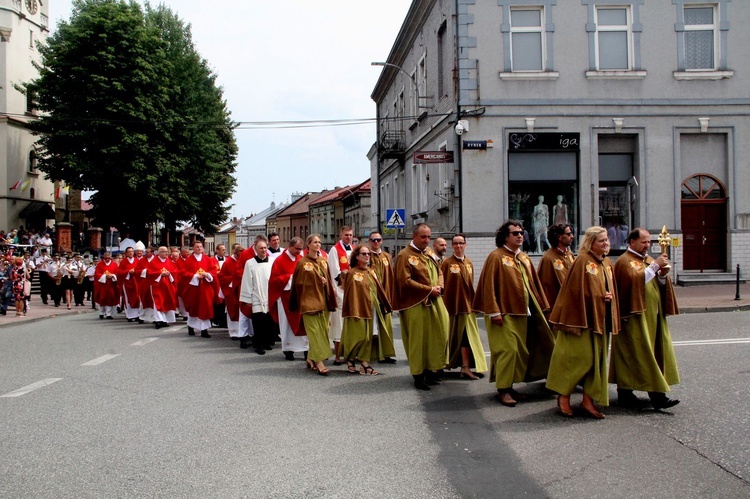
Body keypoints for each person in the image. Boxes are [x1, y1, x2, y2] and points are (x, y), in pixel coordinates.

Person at [472, 221, 556, 407]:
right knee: (507, 350)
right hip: (503, 313)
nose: (520, 235)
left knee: (521, 350)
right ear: (505, 237)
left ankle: (510, 386)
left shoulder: (524, 257)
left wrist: (543, 307)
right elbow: (488, 286)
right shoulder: (496, 257)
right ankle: (503, 390)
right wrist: (494, 311)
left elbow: (534, 285)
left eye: (521, 232)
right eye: (515, 233)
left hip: (524, 313)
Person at [546, 226, 619, 419]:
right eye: (601, 240)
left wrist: (608, 296)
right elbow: (573, 292)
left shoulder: (606, 262)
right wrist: (598, 296)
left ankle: (588, 400)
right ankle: (564, 397)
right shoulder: (582, 261)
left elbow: (606, 287)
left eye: (606, 240)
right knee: (577, 360)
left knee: (596, 362)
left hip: (600, 321)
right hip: (582, 321)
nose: (606, 243)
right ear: (591, 243)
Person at [611, 228, 681, 410]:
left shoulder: (648, 260)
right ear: (632, 242)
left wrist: (663, 276)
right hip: (634, 316)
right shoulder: (624, 261)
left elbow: (656, 282)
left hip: (652, 315)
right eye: (644, 242)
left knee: (652, 353)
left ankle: (641, 394)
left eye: (649, 242)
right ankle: (648, 395)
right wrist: (655, 267)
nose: (647, 245)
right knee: (638, 354)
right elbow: (633, 283)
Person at [393, 223, 450, 391]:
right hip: (415, 303)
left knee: (439, 334)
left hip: (434, 299)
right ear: (414, 236)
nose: (426, 240)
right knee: (419, 340)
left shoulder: (429, 253)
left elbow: (439, 271)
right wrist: (428, 290)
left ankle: (433, 368)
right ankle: (418, 375)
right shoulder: (405, 255)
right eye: (423, 237)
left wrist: (439, 286)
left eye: (428, 237)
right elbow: (405, 281)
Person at [441, 234, 488, 380]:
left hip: (468, 307)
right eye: (455, 243)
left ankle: (466, 367)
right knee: (452, 338)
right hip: (452, 307)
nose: (458, 246)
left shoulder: (469, 262)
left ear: (465, 245)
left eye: (461, 243)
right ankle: (441, 365)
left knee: (468, 338)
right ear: (452, 246)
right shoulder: (447, 263)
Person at [339, 244, 391, 375]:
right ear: (357, 256)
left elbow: (378, 290)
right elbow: (350, 294)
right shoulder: (352, 273)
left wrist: (384, 304)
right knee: (359, 337)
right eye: (364, 254)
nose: (367, 256)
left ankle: (364, 363)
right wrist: (352, 310)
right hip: (358, 309)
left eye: (368, 254)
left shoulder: (371, 271)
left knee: (369, 337)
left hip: (371, 308)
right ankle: (350, 358)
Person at [291, 234, 337, 374]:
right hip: (309, 302)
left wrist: (331, 292)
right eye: (315, 242)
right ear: (308, 244)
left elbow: (328, 280)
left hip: (323, 301)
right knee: (314, 333)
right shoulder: (303, 263)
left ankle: (311, 357)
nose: (318, 244)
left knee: (323, 331)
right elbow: (298, 283)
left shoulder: (323, 261)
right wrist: (317, 282)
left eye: (319, 242)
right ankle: (319, 362)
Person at [268, 238, 307, 360]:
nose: (299, 252)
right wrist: (291, 278)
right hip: (285, 298)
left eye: (301, 249)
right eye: (297, 249)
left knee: (303, 323)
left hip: (300, 297)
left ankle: (306, 348)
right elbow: (274, 280)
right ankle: (288, 349)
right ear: (290, 246)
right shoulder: (279, 261)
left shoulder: (301, 259)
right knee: (287, 325)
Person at [239, 239, 276, 353]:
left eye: (265, 248)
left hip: (269, 295)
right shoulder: (250, 263)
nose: (264, 250)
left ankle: (266, 342)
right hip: (256, 295)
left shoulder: (272, 261)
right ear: (256, 249)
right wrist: (247, 299)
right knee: (258, 321)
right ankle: (258, 345)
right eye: (261, 248)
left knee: (268, 320)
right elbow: (247, 281)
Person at [368, 231, 396, 363]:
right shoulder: (366, 255)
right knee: (372, 326)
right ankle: (370, 353)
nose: (376, 242)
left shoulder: (386, 256)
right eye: (373, 240)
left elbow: (391, 276)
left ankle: (386, 353)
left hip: (385, 295)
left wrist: (391, 295)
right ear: (369, 241)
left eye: (378, 240)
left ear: (382, 241)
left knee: (386, 325)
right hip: (371, 295)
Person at [327, 226, 354, 365]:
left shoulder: (354, 248)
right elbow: (334, 270)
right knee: (339, 322)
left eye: (350, 235)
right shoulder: (334, 249)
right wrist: (341, 285)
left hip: (352, 289)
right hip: (340, 289)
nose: (348, 237)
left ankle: (349, 353)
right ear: (340, 235)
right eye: (346, 235)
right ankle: (337, 355)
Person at [182, 241, 218, 338]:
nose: (199, 248)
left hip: (205, 288)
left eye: (201, 246)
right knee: (194, 308)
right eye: (197, 247)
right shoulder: (188, 260)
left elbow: (213, 271)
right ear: (193, 248)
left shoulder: (208, 259)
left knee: (205, 307)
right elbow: (184, 273)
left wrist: (207, 274)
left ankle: (204, 330)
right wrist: (195, 276)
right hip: (194, 288)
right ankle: (191, 326)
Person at [537, 224, 575, 310]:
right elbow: (545, 287)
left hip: (571, 305)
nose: (572, 236)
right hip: (557, 307)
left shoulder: (570, 255)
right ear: (559, 237)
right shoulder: (548, 258)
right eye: (568, 234)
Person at [147, 246, 180, 329]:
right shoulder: (153, 262)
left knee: (167, 301)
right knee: (158, 302)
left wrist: (169, 273)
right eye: (164, 251)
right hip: (157, 286)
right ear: (159, 253)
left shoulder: (170, 262)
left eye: (167, 251)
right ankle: (158, 320)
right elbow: (150, 273)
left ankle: (165, 320)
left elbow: (175, 271)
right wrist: (160, 274)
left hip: (168, 285)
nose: (166, 253)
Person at [218, 243, 243, 340]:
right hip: (231, 290)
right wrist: (234, 279)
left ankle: (243, 332)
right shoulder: (228, 263)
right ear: (235, 254)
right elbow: (222, 278)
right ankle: (234, 332)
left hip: (241, 290)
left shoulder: (243, 262)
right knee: (233, 310)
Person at [117, 247, 142, 322]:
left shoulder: (137, 261)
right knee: (128, 299)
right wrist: (128, 272)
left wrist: (135, 271)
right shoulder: (123, 262)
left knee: (137, 298)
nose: (131, 253)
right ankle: (130, 315)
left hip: (136, 282)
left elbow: (140, 270)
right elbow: (119, 272)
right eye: (129, 252)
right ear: (126, 253)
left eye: (132, 251)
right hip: (127, 282)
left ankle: (137, 315)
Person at [94, 252, 120, 319]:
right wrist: (105, 276)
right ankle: (101, 313)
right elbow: (97, 273)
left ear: (111, 258)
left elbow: (117, 272)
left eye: (109, 258)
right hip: (102, 284)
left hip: (111, 284)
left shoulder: (114, 264)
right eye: (106, 258)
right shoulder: (100, 264)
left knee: (110, 299)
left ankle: (109, 314)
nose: (107, 259)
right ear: (104, 258)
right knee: (102, 298)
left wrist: (112, 275)